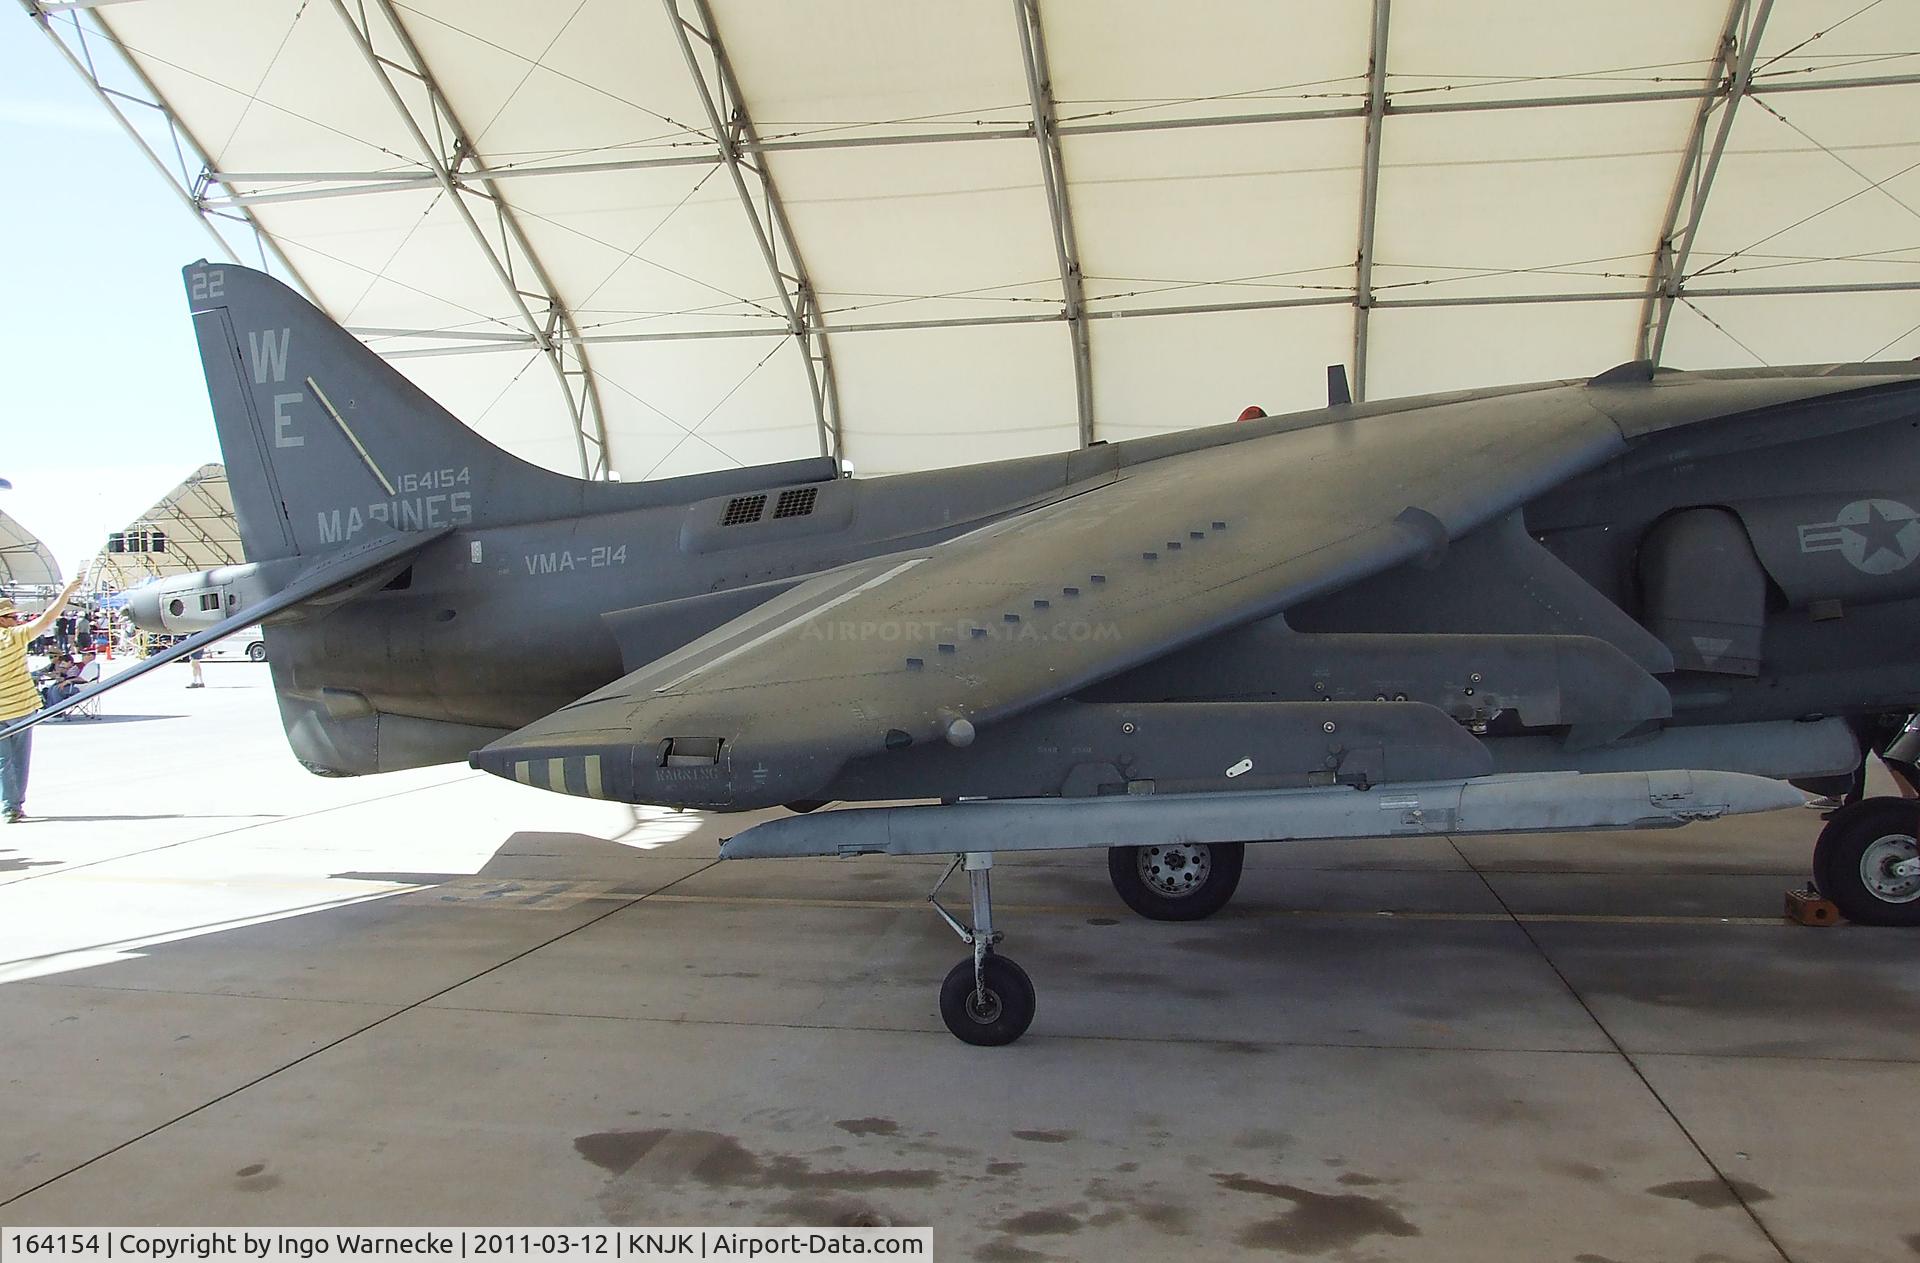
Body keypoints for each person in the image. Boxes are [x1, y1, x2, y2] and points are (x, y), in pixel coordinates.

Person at [0, 576, 86, 823]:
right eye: (13, 617)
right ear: (3, 620)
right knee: (19, 760)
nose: (17, 620)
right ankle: (14, 806)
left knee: (3, 761)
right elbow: (48, 618)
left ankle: (8, 806)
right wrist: (67, 591)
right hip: (20, 708)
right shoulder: (14, 636)